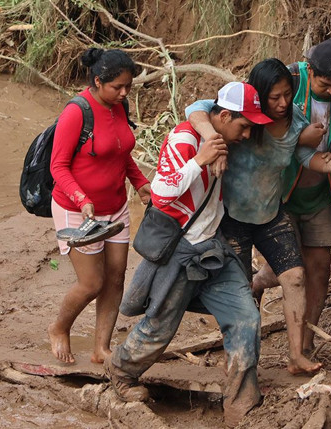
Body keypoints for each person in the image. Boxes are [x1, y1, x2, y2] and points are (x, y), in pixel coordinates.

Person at [107, 82, 267, 427]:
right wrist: (200, 160)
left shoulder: (221, 133)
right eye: (244, 126)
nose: (247, 134)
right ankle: (120, 372)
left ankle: (241, 402)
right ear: (224, 116)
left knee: (246, 318)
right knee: (160, 326)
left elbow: (199, 106)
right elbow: (161, 193)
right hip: (181, 250)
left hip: (212, 247)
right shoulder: (185, 139)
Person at [184, 58, 331, 375]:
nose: (282, 103)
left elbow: (304, 155)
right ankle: (240, 363)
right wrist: (214, 140)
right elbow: (195, 108)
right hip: (232, 217)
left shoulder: (294, 120)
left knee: (295, 277)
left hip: (270, 214)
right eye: (274, 97)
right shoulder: (241, 113)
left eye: (287, 95)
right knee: (239, 294)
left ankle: (296, 356)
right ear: (258, 96)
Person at [252, 39, 331, 354]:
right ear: (310, 69)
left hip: (321, 195)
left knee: (319, 268)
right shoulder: (288, 82)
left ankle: (304, 346)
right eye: (325, 84)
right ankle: (256, 284)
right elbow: (254, 125)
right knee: (288, 270)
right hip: (279, 194)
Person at [47, 48, 151, 365]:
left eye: (128, 87)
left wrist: (141, 183)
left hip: (115, 208)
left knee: (116, 277)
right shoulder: (77, 112)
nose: (123, 93)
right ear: (97, 81)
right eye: (117, 87)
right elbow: (58, 166)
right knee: (92, 283)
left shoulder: (120, 106)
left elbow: (121, 153)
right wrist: (82, 198)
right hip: (77, 210)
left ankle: (100, 347)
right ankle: (59, 328)